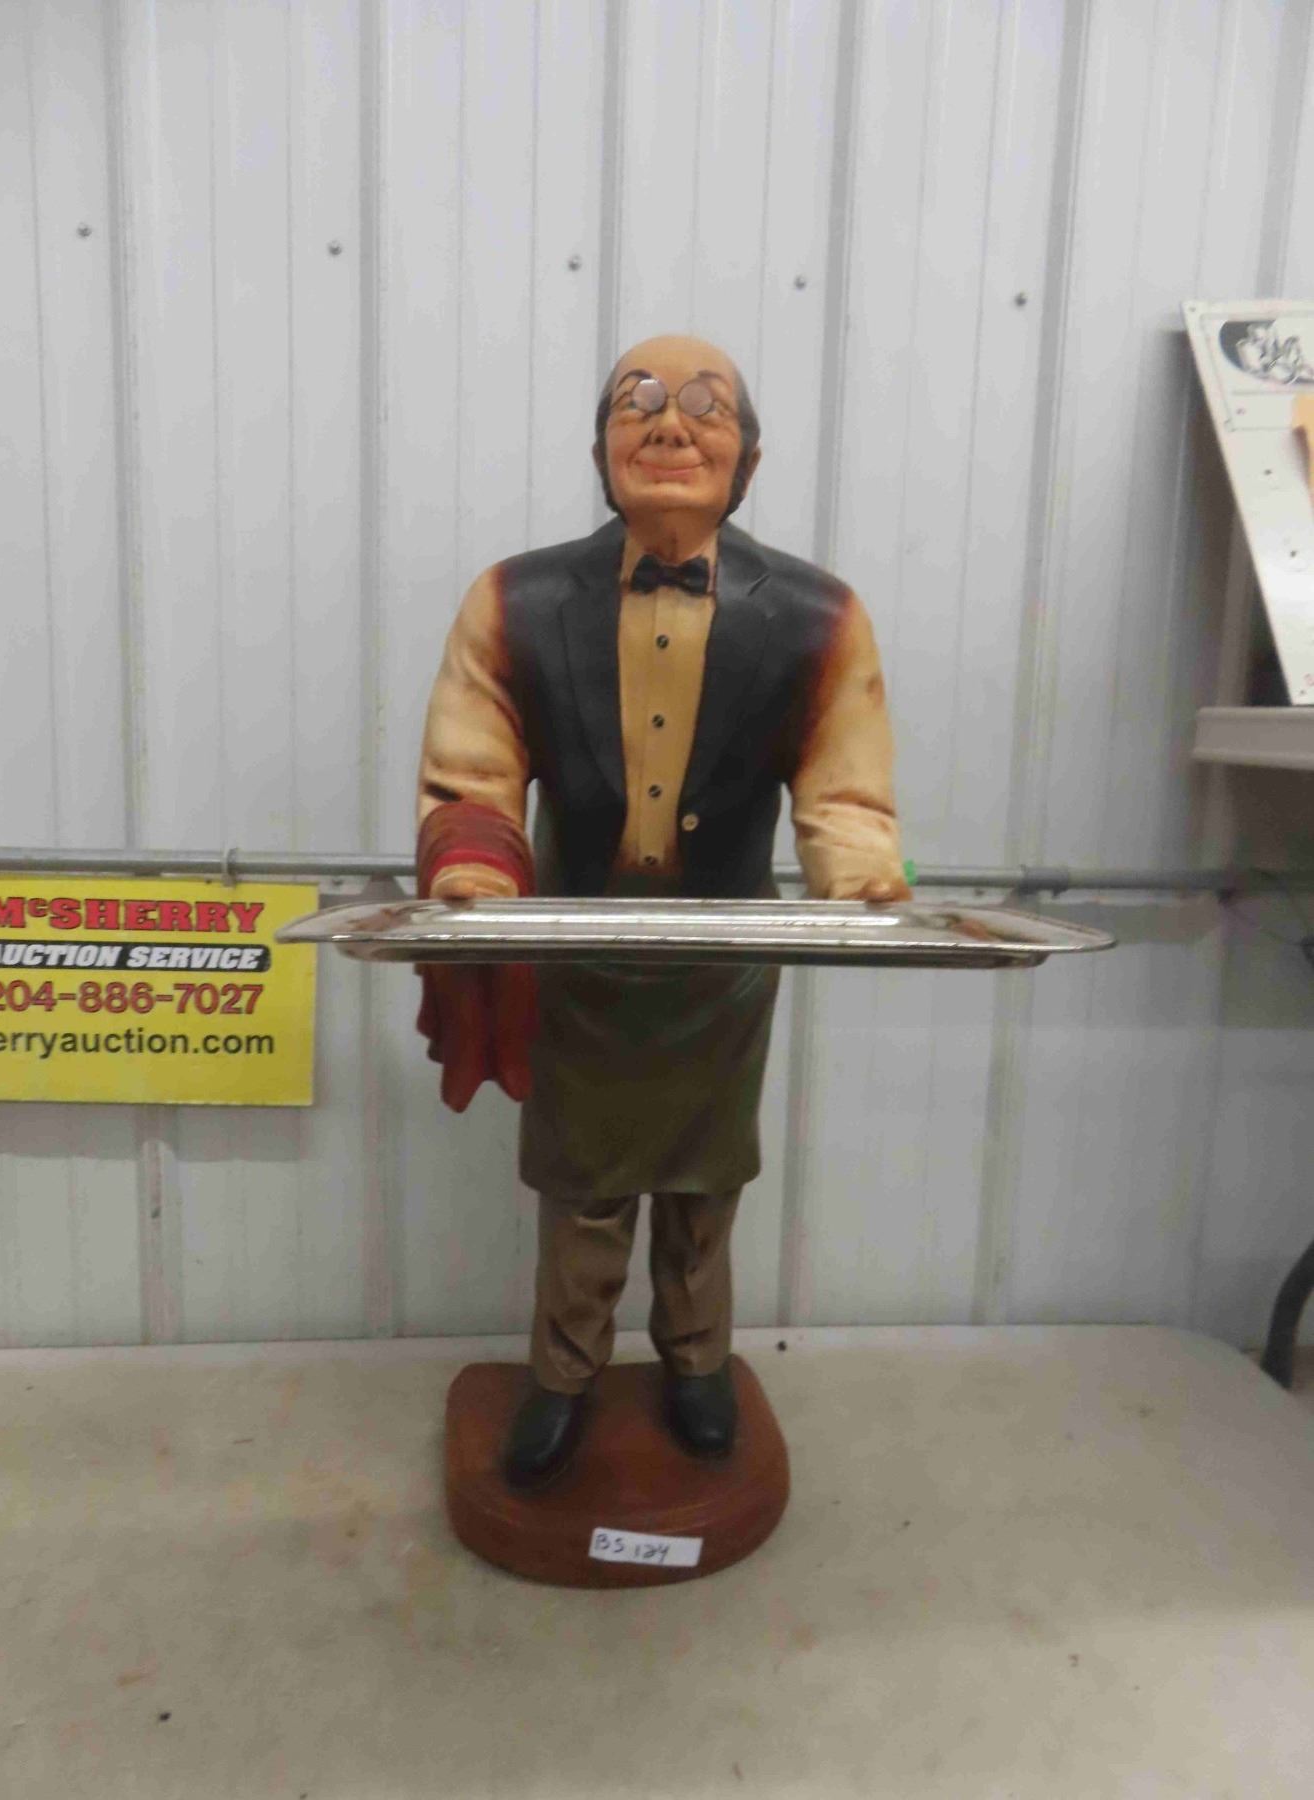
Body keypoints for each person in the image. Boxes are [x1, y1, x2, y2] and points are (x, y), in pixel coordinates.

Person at [416, 334, 909, 1487]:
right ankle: (564, 1372)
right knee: (583, 1189)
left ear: (749, 458)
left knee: (703, 1187)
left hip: (721, 965)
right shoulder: (514, 599)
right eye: (637, 401)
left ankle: (698, 1361)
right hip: (575, 957)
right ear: (601, 450)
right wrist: (476, 878)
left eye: (704, 405)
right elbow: (472, 768)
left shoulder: (821, 614)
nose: (671, 423)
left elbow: (843, 781)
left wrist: (859, 880)